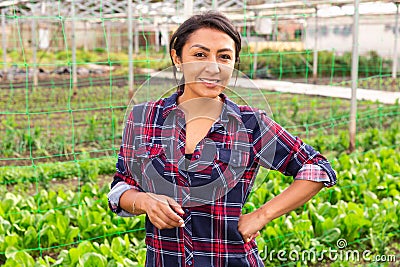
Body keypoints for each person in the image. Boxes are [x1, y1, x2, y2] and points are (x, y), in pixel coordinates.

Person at [108, 11, 336, 267]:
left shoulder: (250, 124)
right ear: (177, 58)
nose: (213, 67)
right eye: (200, 54)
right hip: (165, 259)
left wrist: (262, 215)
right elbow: (121, 187)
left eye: (224, 57)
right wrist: (144, 201)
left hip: (231, 259)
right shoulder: (144, 118)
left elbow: (317, 167)